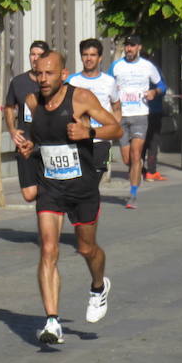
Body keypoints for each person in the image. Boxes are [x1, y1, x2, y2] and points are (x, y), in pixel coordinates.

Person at [16, 50, 121, 345]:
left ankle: (99, 286)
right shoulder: (32, 101)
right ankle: (52, 321)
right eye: (38, 73)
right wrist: (29, 148)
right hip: (50, 185)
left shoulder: (81, 97)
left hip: (83, 186)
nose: (43, 79)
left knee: (87, 249)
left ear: (63, 74)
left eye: (49, 73)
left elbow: (116, 127)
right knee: (48, 250)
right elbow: (39, 136)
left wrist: (88, 131)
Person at [107, 35, 166, 209]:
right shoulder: (116, 66)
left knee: (135, 155)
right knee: (127, 159)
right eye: (127, 46)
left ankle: (132, 195)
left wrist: (154, 92)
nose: (129, 49)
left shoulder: (147, 66)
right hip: (121, 116)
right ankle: (136, 170)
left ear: (139, 47)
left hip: (140, 115)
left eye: (132, 46)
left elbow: (162, 85)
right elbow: (107, 83)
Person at [66, 39, 121, 179]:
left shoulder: (109, 82)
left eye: (93, 55)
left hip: (101, 139)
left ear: (100, 57)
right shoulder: (72, 81)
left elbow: (116, 106)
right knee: (79, 182)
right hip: (78, 140)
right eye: (85, 55)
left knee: (93, 181)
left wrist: (113, 128)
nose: (89, 58)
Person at [5, 40, 48, 202]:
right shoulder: (18, 82)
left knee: (47, 191)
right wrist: (12, 130)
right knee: (29, 194)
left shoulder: (51, 82)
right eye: (33, 54)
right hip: (25, 141)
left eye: (39, 55)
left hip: (47, 142)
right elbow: (9, 107)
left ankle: (47, 216)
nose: (35, 58)